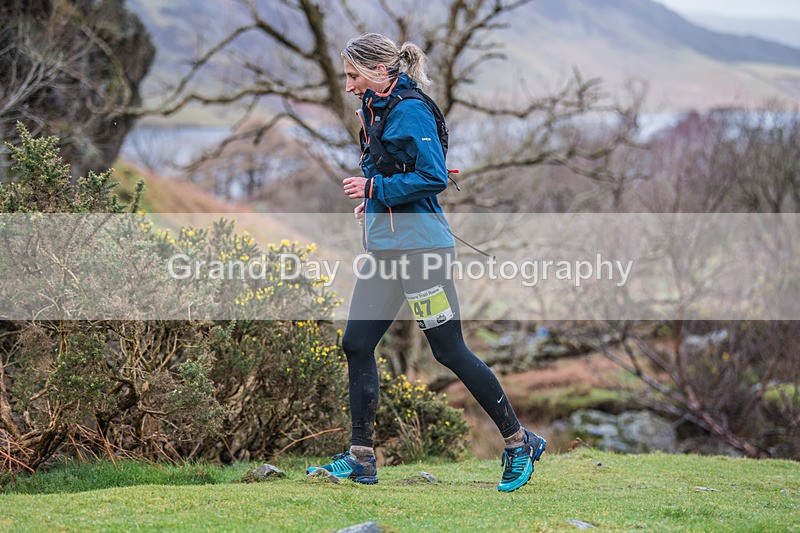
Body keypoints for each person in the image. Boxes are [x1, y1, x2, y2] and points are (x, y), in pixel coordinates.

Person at [306, 33, 545, 493]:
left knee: (448, 349)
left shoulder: (410, 109)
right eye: (347, 76)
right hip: (388, 250)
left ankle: (519, 442)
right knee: (356, 343)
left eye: (354, 75)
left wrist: (374, 191)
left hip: (423, 254)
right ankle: (360, 458)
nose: (349, 84)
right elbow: (395, 171)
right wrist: (373, 205)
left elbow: (433, 176)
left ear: (380, 71)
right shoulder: (377, 108)